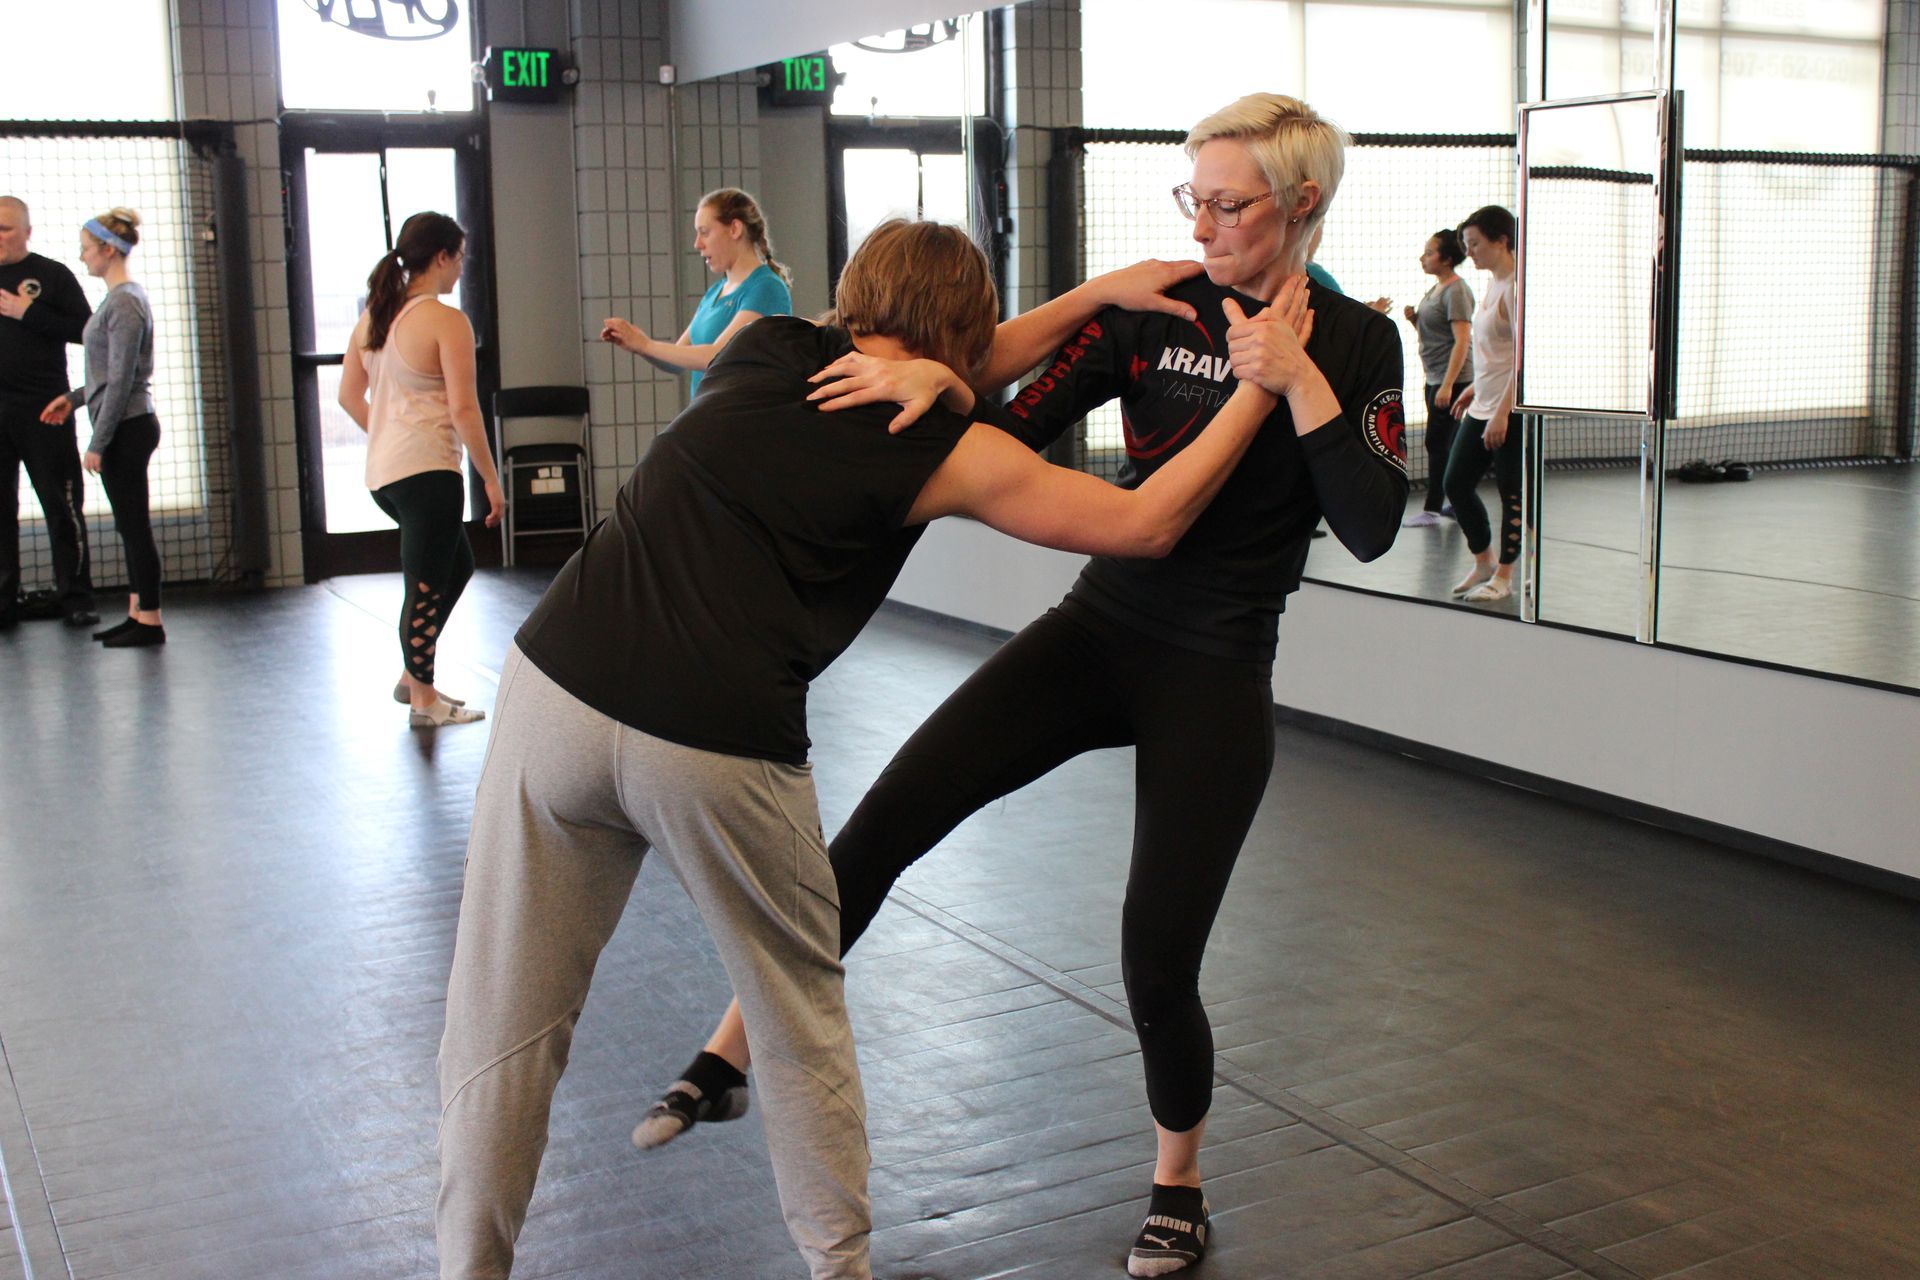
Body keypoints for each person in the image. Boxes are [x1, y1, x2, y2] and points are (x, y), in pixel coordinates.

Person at [434, 218, 1304, 1280]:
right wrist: (1258, 389)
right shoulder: (953, 448)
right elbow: (1151, 522)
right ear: (964, 334)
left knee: (501, 1028)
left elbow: (953, 357)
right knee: (795, 1019)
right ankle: (837, 1267)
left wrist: (1088, 300)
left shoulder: (767, 343)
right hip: (716, 736)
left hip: (552, 685)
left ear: (854, 296)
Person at [643, 93, 1409, 1278]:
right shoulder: (1162, 312)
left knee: (1156, 951)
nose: (1203, 223)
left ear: (1300, 204)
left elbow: (1369, 525)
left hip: (1216, 667)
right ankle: (730, 1050)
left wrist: (1299, 380)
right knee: (888, 818)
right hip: (1098, 630)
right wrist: (950, 395)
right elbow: (1021, 418)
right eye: (1192, 196)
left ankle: (1178, 1180)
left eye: (1228, 203)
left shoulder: (1358, 344)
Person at [338, 211, 505, 725]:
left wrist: (388, 434)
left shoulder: (375, 317)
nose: (461, 269)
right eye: (460, 257)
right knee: (427, 585)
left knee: (456, 566)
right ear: (441, 257)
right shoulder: (446, 321)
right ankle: (424, 700)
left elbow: (348, 396)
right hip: (429, 474)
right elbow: (464, 409)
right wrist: (491, 479)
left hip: (386, 477)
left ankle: (415, 677)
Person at [39, 209, 161, 647]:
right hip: (121, 423)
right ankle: (138, 612)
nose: (83, 257)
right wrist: (73, 401)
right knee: (128, 526)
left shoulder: (125, 301)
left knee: (134, 526)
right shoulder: (115, 300)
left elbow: (123, 378)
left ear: (109, 250)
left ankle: (150, 619)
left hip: (128, 427)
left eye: (88, 249)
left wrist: (97, 441)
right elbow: (104, 374)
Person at [0, 194, 98, 630]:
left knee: (61, 505)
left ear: (26, 231)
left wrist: (30, 313)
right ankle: (4, 602)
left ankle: (75, 598)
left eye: (5, 228)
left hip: (46, 410)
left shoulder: (50, 275)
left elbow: (86, 331)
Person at [599, 187, 792, 393]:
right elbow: (677, 360)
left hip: (741, 417)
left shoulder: (766, 288)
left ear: (735, 229)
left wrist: (645, 344)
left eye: (705, 232)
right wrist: (637, 344)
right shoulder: (715, 292)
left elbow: (717, 356)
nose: (697, 244)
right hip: (710, 416)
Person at [1445, 205, 1520, 602]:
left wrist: (1505, 412)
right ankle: (1484, 561)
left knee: (1511, 491)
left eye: (1474, 244)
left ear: (1501, 240)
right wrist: (1473, 385)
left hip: (1508, 409)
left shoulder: (1517, 288)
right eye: (1466, 245)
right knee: (1455, 482)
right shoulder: (1492, 284)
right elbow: (1496, 350)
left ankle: (1505, 576)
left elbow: (1525, 360)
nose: (1469, 251)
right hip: (1483, 401)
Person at [1401, 228, 1474, 528]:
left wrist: (1447, 384)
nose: (1423, 257)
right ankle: (1453, 502)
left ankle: (1434, 508)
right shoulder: (1437, 289)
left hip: (1451, 382)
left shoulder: (1457, 290)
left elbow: (1462, 340)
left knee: (1439, 442)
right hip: (1435, 378)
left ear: (1446, 259)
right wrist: (1415, 321)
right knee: (1442, 442)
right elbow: (1437, 336)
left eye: (1430, 252)